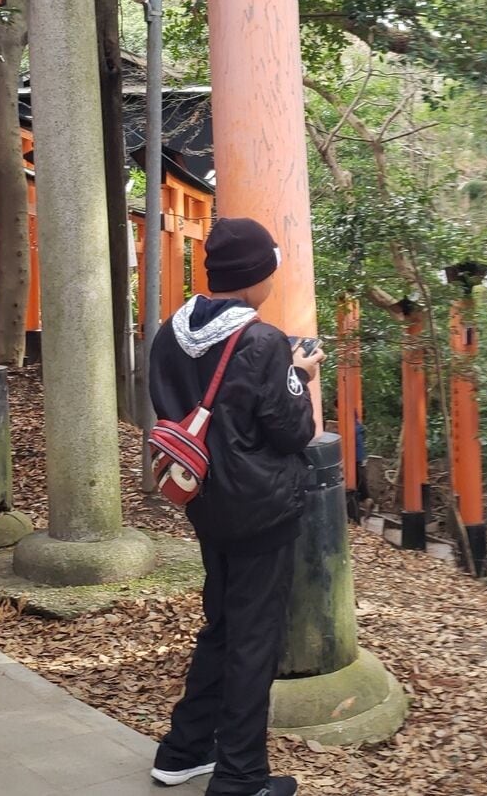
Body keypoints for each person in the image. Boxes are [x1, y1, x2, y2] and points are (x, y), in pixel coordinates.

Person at [146, 219, 323, 796]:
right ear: (255, 276)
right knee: (253, 638)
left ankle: (184, 750)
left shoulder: (168, 334)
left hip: (203, 501)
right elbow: (293, 431)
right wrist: (299, 375)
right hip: (261, 511)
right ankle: (241, 775)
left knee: (222, 625)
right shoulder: (261, 341)